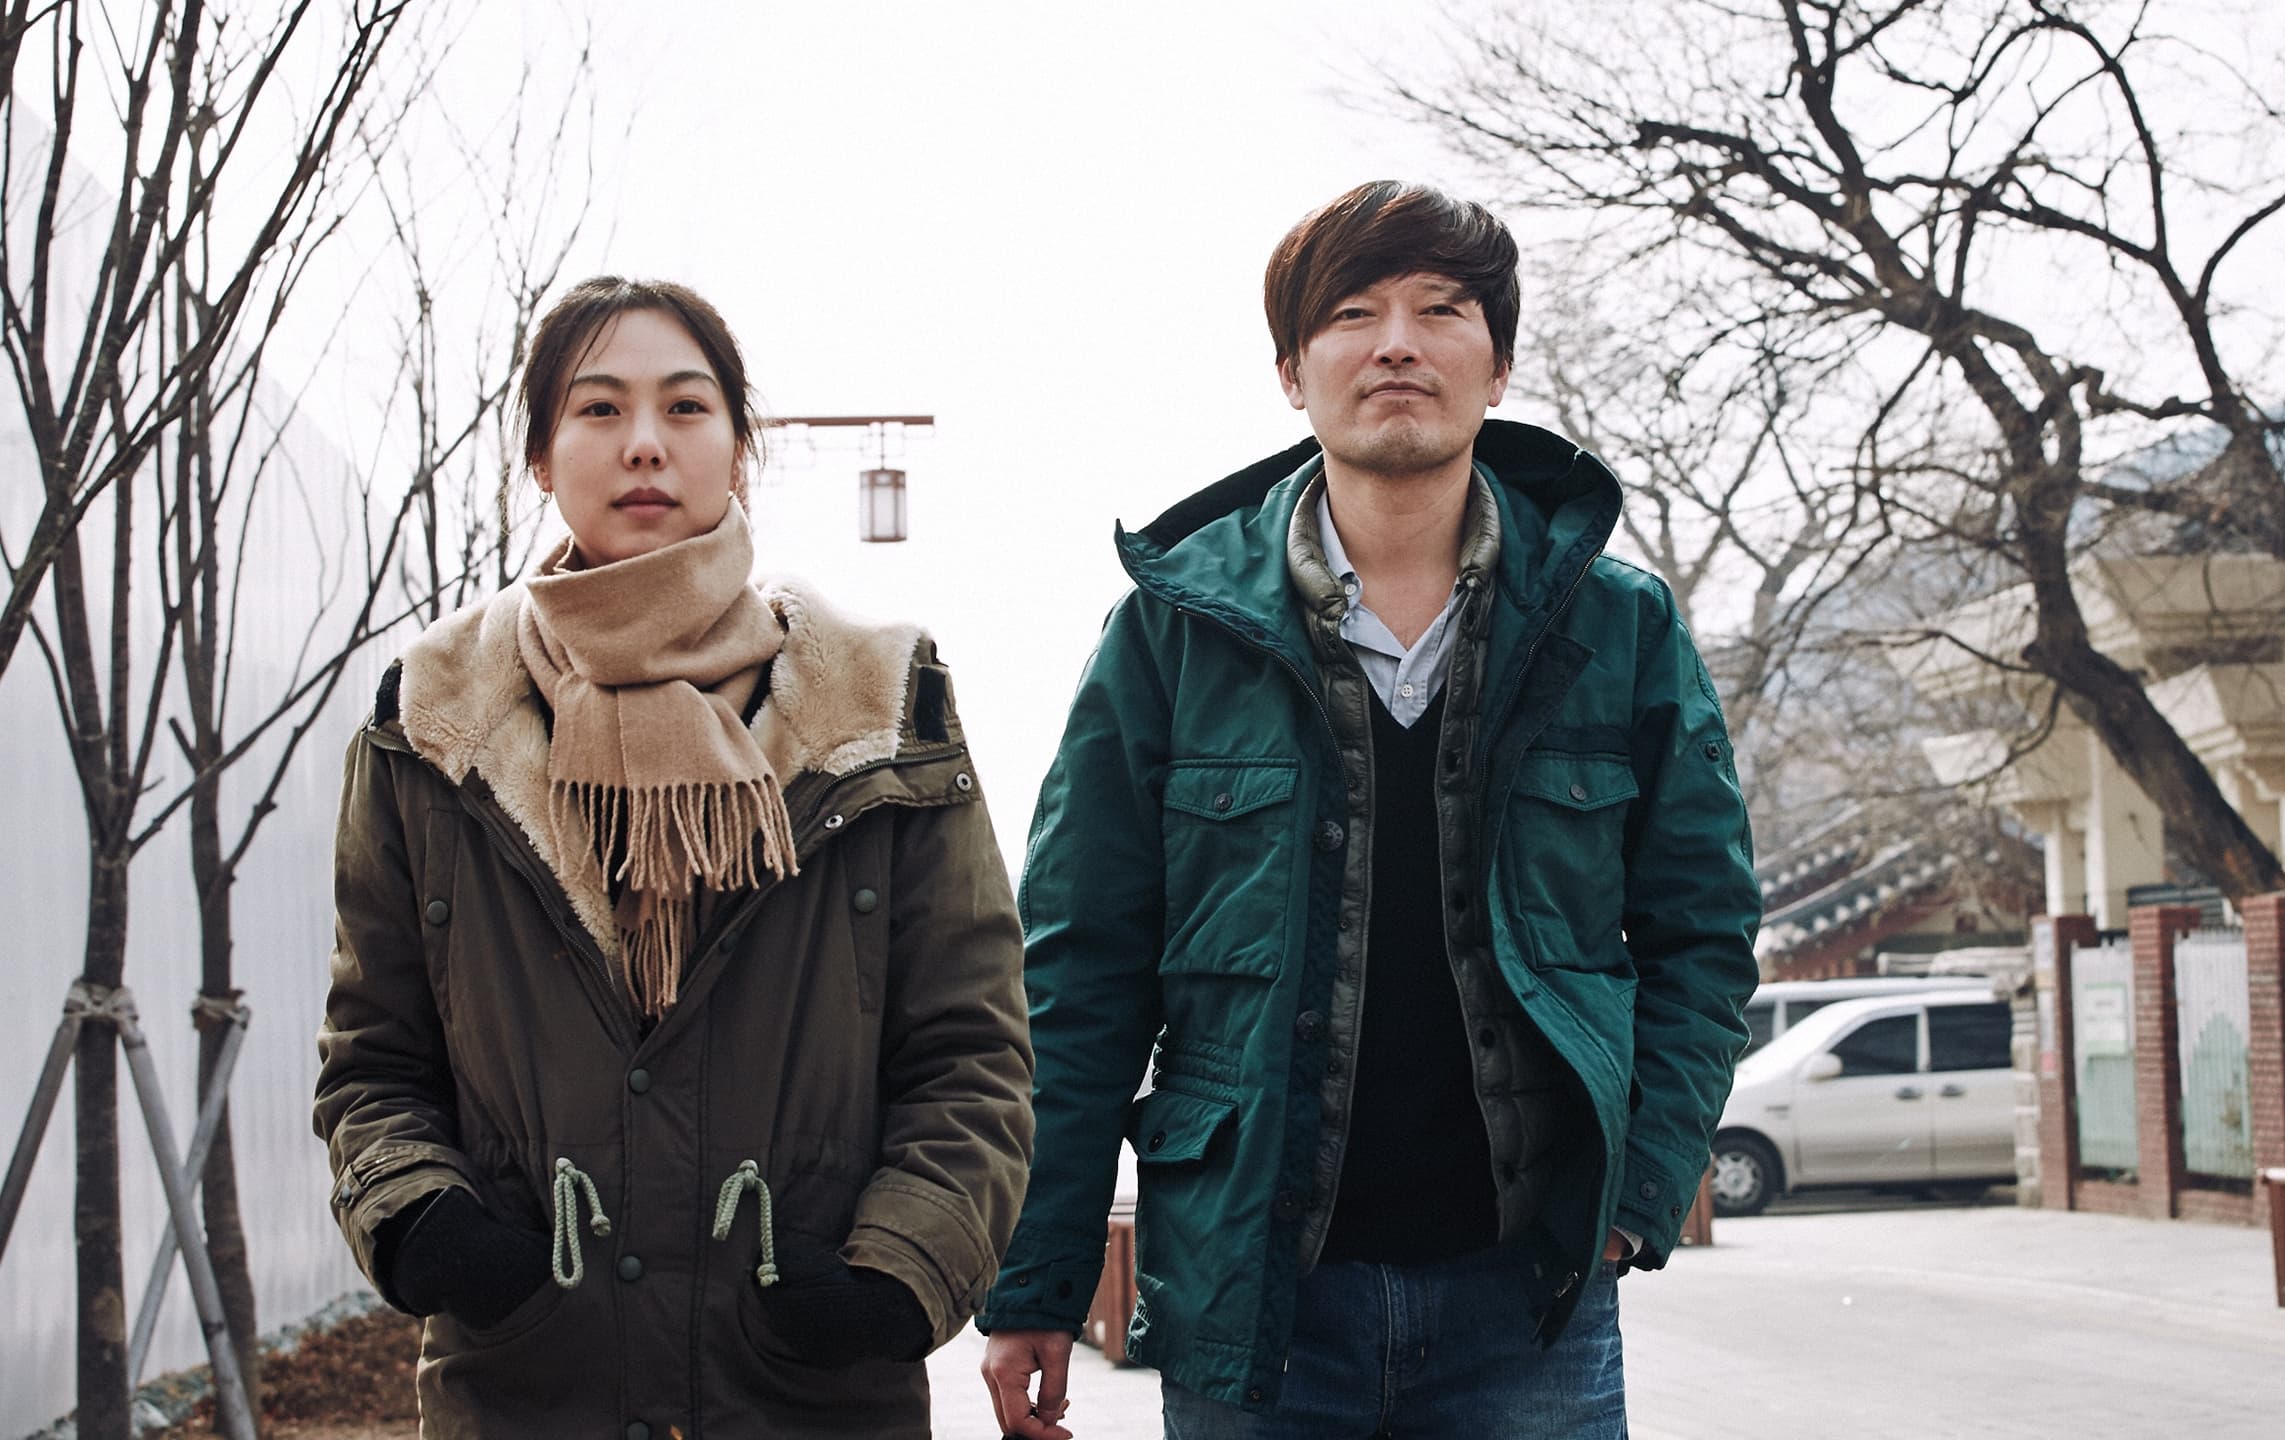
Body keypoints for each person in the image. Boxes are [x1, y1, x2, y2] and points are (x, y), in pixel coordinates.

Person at [978, 182, 1762, 1438]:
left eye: (1439, 310)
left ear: (1497, 366)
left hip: (1528, 1303)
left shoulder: (1617, 628)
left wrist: (1634, 1198)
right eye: (1352, 313)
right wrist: (1038, 1278)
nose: (1397, 343)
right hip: (1256, 1303)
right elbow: (1080, 975)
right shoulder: (1172, 638)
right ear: (1293, 373)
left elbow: (1703, 936)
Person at [315, 276, 1033, 1439]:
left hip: (808, 1391)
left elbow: (971, 1054)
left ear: (739, 450)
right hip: (527, 1388)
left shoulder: (881, 717)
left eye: (686, 407)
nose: (644, 443)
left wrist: (899, 1271)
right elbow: (373, 1057)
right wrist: (420, 1222)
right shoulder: (431, 726)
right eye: (598, 409)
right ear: (540, 457)